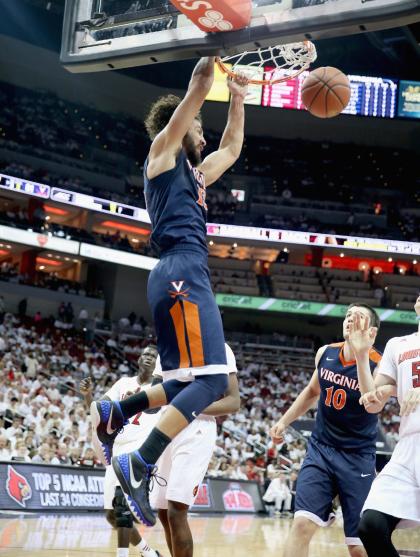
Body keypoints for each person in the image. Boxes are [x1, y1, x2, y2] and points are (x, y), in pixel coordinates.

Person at [90, 57, 248, 526]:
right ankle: (138, 462)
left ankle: (119, 409)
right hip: (181, 269)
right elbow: (199, 81)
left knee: (182, 383)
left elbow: (233, 148)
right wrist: (218, 47)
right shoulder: (163, 152)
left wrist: (238, 97)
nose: (204, 135)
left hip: (183, 270)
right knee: (214, 382)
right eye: (198, 126)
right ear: (179, 125)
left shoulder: (195, 176)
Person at [270, 304, 382, 557]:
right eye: (348, 316)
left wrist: (362, 354)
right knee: (300, 525)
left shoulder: (380, 363)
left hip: (357, 457)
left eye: (359, 317)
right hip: (321, 449)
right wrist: (284, 421)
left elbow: (372, 404)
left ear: (371, 332)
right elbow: (312, 391)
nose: (351, 320)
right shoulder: (325, 353)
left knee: (358, 546)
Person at [152, 343, 240, 557]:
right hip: (165, 426)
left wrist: (189, 407)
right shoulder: (167, 344)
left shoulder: (220, 348)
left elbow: (233, 401)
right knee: (164, 512)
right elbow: (155, 396)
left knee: (176, 510)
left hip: (196, 429)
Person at [354, 296, 420, 557]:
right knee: (371, 525)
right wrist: (361, 356)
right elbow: (372, 403)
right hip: (407, 448)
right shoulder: (398, 344)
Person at [81, 345, 162, 557]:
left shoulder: (161, 388)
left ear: (158, 364)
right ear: (138, 358)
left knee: (122, 509)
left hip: (138, 452)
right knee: (112, 516)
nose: (148, 357)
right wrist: (88, 396)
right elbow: (100, 410)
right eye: (145, 353)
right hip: (116, 450)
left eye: (153, 356)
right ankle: (148, 552)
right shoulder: (123, 383)